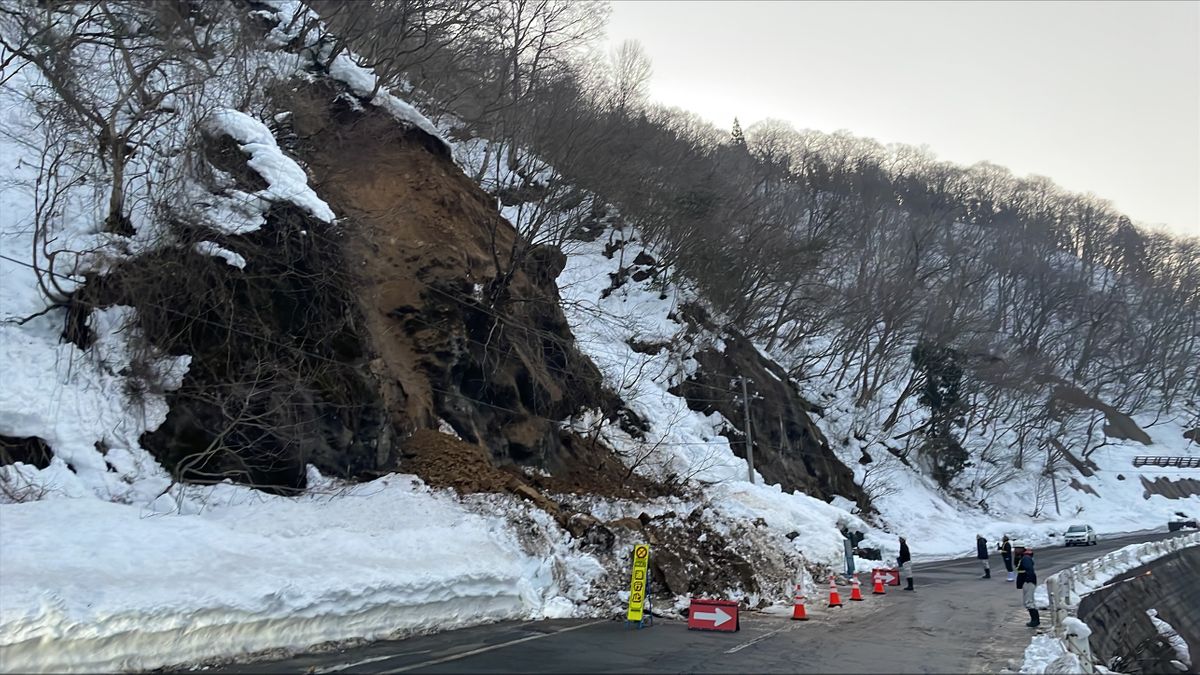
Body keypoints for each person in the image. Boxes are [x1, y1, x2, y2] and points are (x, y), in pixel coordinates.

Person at [1015, 547, 1039, 627]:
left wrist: (1028, 579)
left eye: (1017, 548)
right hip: (1027, 581)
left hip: (1028, 581)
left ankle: (1035, 620)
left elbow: (1029, 570)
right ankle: (1035, 619)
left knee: (1029, 601)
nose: (1015, 550)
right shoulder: (1023, 557)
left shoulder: (1025, 558)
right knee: (1028, 601)